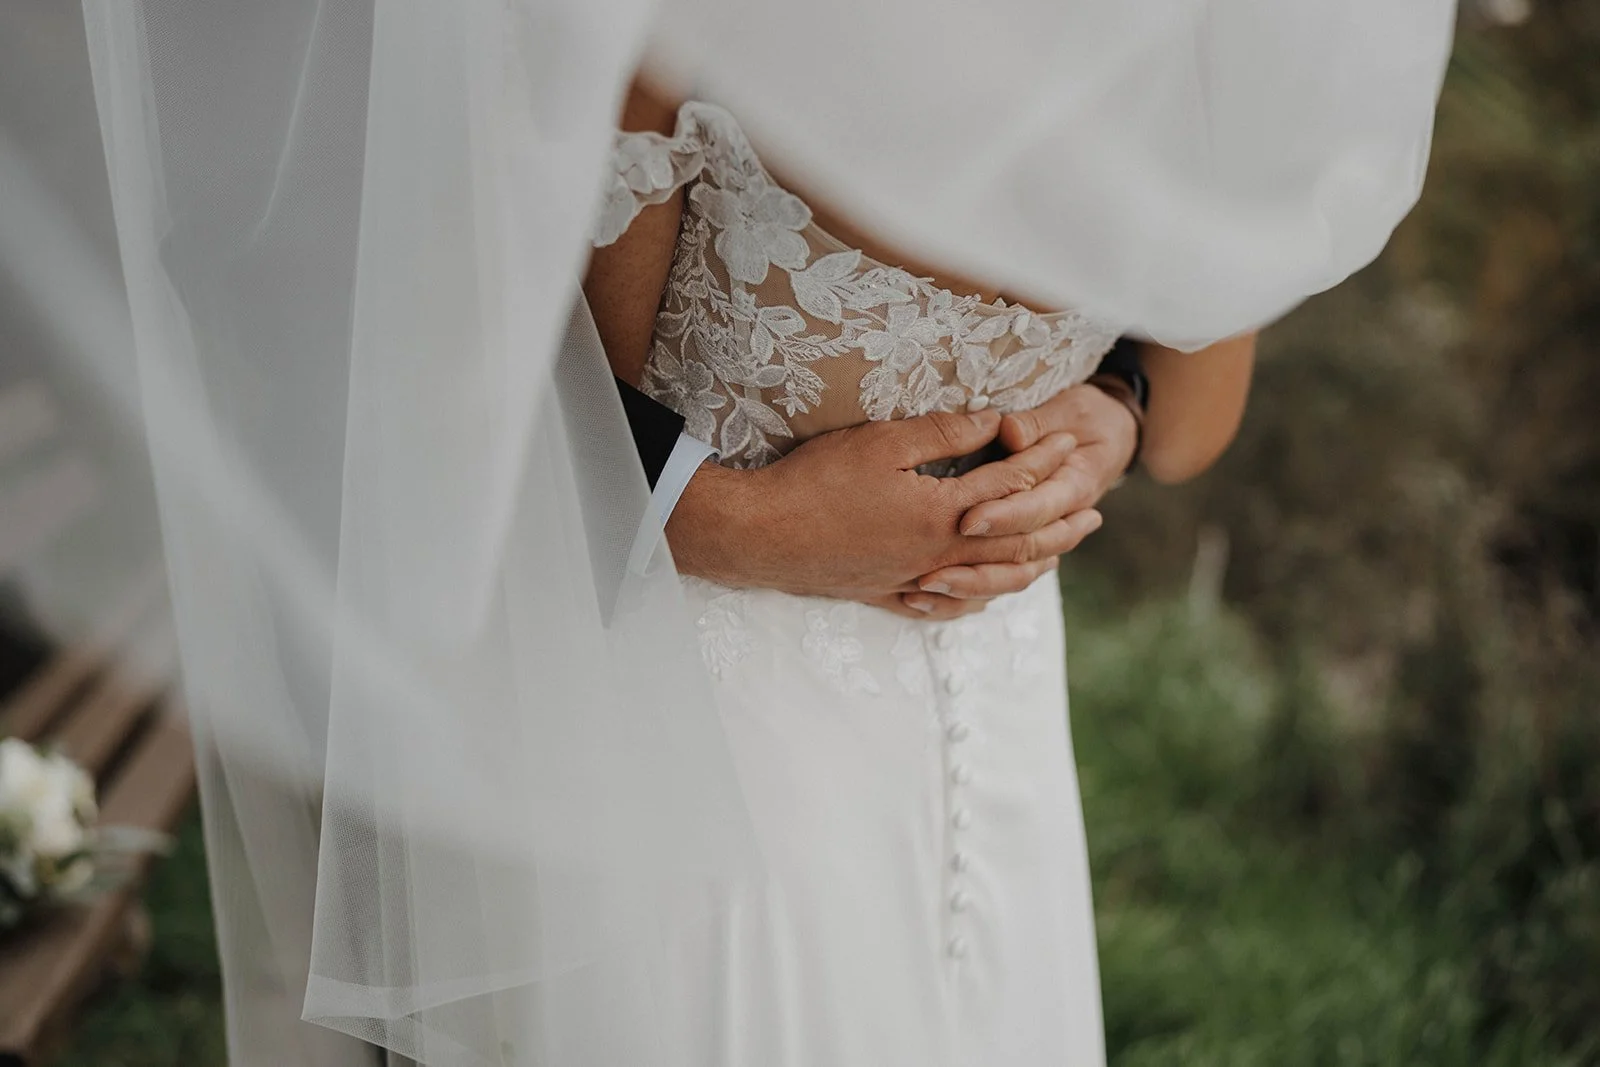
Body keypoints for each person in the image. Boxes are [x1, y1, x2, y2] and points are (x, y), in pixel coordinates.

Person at [575, 77, 1255, 1066]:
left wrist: (1111, 411)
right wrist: (748, 522)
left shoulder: (1208, 47)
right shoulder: (659, 40)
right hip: (684, 720)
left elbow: (1188, 421)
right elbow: (503, 394)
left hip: (990, 720)